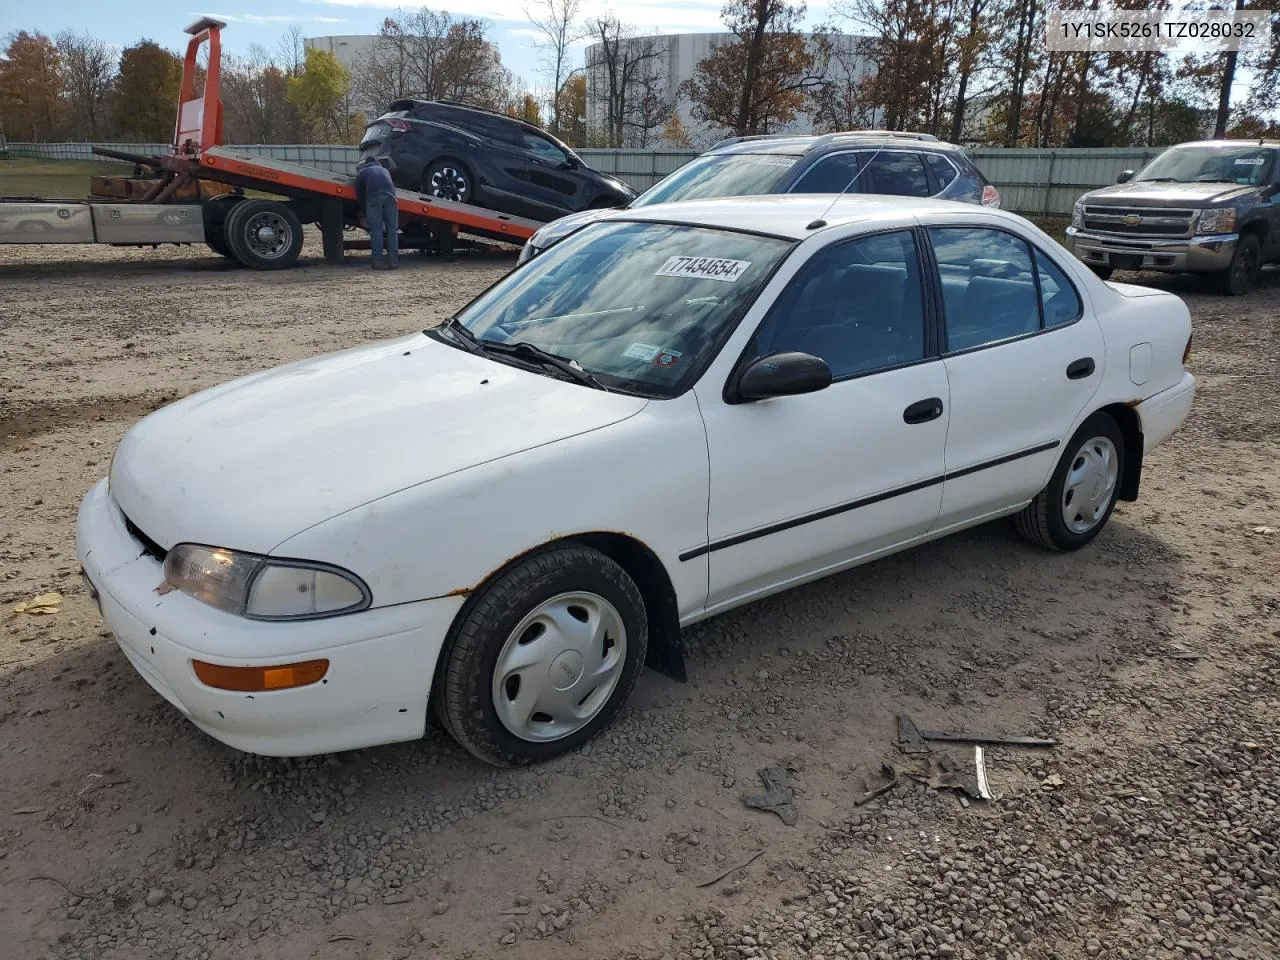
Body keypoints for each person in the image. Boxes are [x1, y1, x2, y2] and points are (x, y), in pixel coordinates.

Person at [355, 157, 399, 270]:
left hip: (374, 197)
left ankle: (378, 262)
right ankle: (393, 263)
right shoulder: (385, 170)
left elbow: (359, 194)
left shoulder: (363, 172)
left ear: (366, 163)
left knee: (376, 231)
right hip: (391, 197)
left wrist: (362, 211)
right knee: (392, 231)